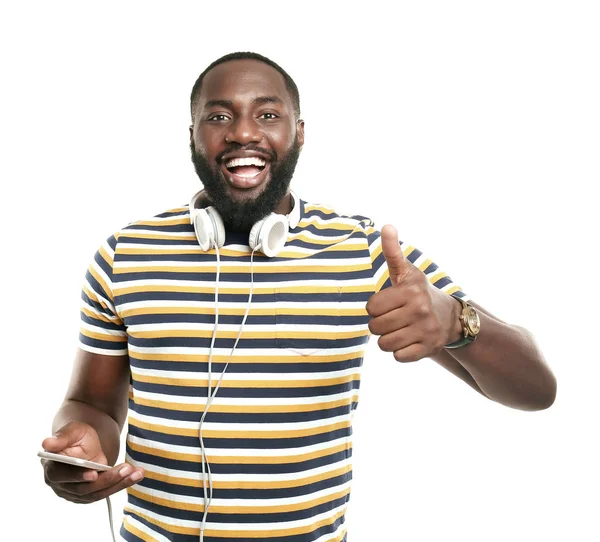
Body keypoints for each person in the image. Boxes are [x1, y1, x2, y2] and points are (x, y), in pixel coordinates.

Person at [41, 51, 557, 542]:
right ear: (192, 137)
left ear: (299, 133)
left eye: (267, 113)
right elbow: (90, 404)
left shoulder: (363, 249)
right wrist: (79, 451)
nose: (243, 132)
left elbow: (537, 390)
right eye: (219, 117)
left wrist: (455, 324)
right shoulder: (126, 254)